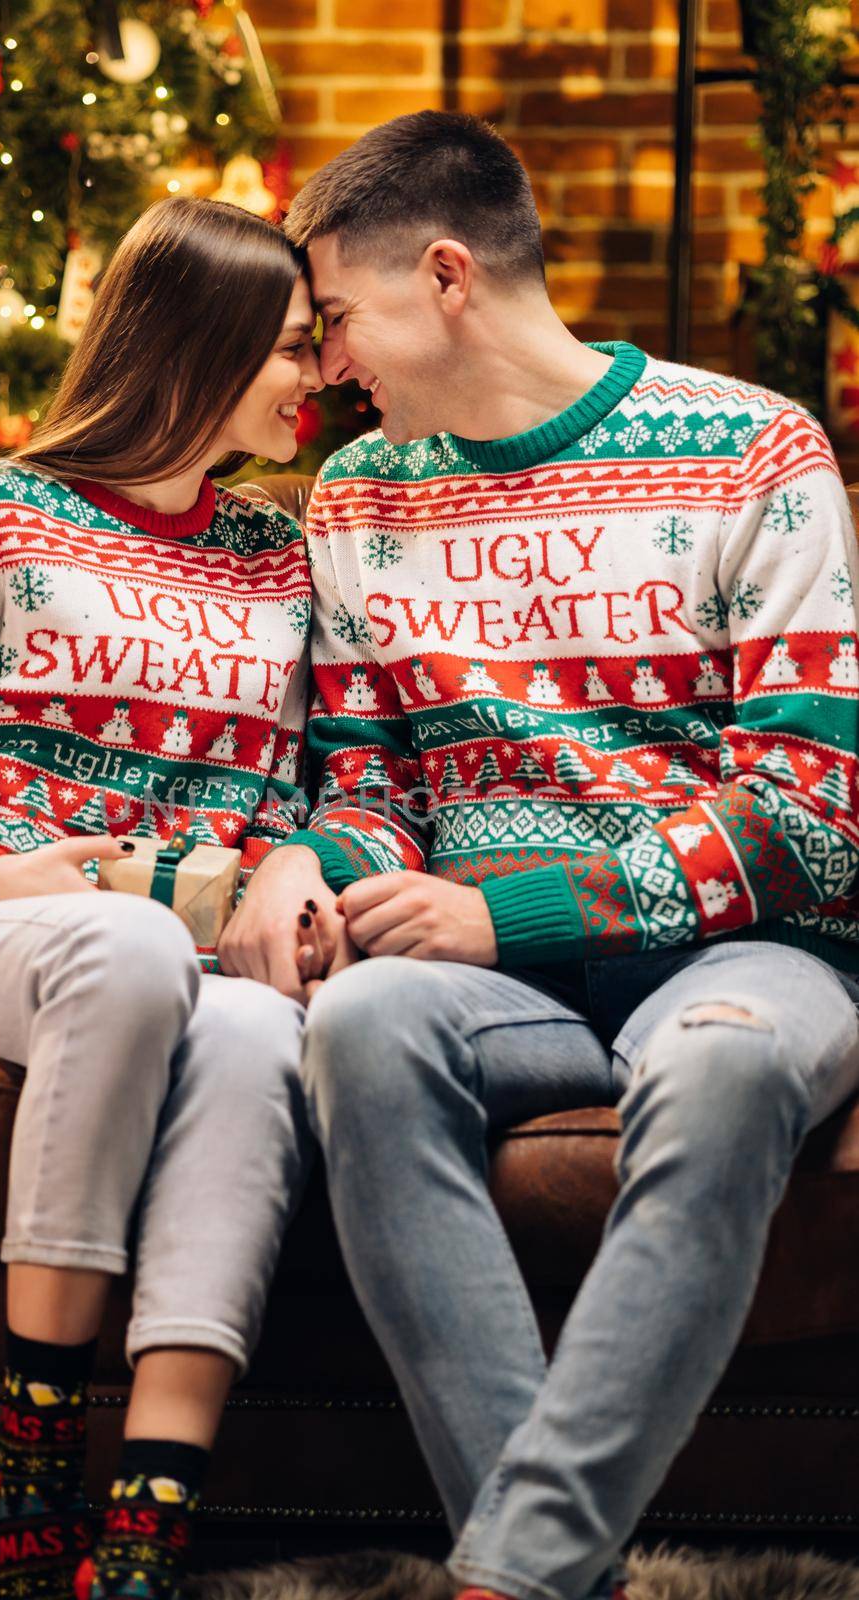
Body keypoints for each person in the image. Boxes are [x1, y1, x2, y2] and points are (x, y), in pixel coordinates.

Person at [222, 112, 859, 1600]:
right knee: (368, 1025)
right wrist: (307, 858)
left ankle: (509, 1574)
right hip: (482, 982)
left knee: (722, 1064)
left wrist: (505, 910)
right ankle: (548, 1579)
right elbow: (373, 779)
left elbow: (817, 812)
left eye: (334, 323)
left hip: (749, 952)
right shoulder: (365, 497)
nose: (323, 371)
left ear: (446, 276)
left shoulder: (752, 446)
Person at [0, 196, 323, 1600]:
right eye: (288, 346)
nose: (317, 374)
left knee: (253, 1034)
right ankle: (35, 1505)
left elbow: (295, 793)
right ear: (203, 346)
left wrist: (293, 866)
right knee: (125, 945)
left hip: (170, 949)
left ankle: (146, 1534)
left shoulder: (280, 556)